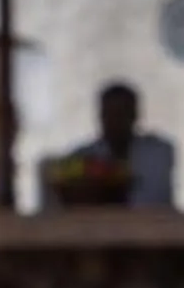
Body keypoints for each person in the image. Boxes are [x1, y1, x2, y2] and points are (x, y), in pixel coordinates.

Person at [46, 82, 177, 209]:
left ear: (135, 114)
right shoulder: (81, 157)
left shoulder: (158, 153)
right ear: (101, 115)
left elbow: (156, 198)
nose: (116, 120)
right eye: (110, 113)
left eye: (122, 113)